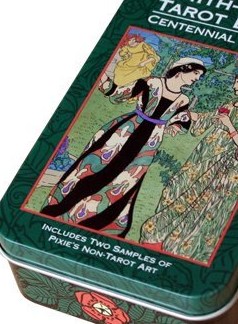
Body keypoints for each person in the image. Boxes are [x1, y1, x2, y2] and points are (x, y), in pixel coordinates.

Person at [40, 58, 206, 238]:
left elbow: (182, 121)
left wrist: (175, 127)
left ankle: (98, 223)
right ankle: (59, 208)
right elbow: (119, 93)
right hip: (124, 132)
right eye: (196, 73)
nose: (197, 78)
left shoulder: (183, 99)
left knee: (125, 182)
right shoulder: (152, 82)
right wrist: (102, 77)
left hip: (149, 144)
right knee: (94, 168)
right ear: (183, 69)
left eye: (199, 75)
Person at [140, 72, 238, 263]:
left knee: (202, 207)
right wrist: (187, 114)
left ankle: (180, 248)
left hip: (225, 168)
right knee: (175, 188)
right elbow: (208, 118)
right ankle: (158, 234)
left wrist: (230, 127)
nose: (234, 87)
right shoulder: (232, 104)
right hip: (202, 157)